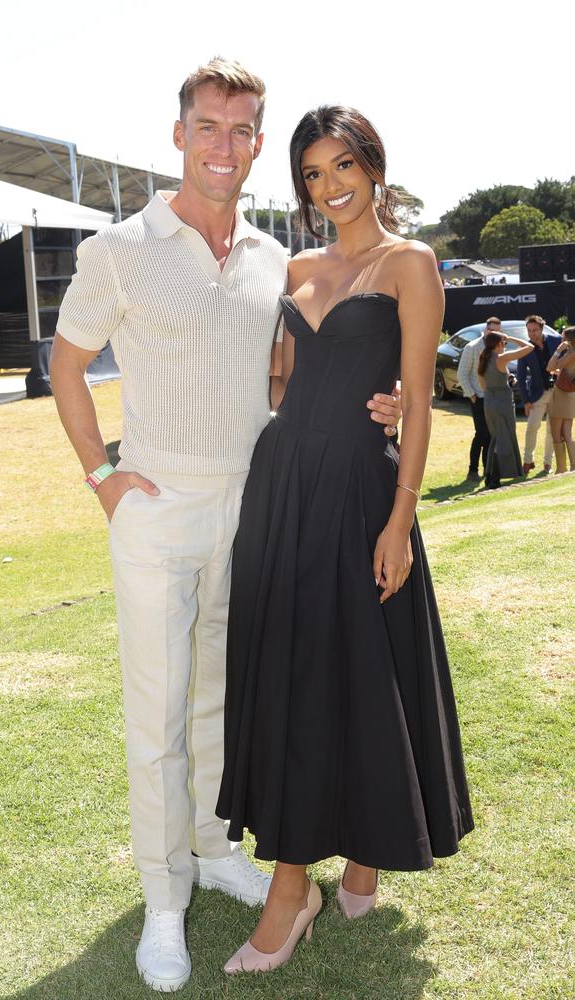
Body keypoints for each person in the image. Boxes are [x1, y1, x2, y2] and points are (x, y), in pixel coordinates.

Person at [49, 60, 401, 993]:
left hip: (256, 511)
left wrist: (388, 402)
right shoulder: (119, 248)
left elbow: (287, 378)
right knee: (158, 718)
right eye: (209, 126)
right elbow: (68, 363)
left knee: (221, 700)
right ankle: (165, 905)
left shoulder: (268, 260)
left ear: (257, 145)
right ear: (179, 135)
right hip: (155, 512)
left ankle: (211, 850)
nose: (225, 145)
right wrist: (105, 478)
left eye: (243, 131)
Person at [216, 105, 474, 976]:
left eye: (340, 167)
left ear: (373, 163)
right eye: (313, 176)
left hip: (363, 489)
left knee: (367, 669)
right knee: (298, 668)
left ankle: (307, 886)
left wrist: (400, 517)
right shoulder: (294, 265)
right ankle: (327, 866)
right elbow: (283, 379)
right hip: (282, 483)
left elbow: (420, 398)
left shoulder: (412, 263)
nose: (329, 189)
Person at [477, 331, 533, 489]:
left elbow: (483, 383)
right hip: (503, 403)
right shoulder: (501, 358)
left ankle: (490, 475)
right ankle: (494, 478)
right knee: (504, 438)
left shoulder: (483, 357)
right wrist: (511, 337)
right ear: (497, 344)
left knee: (496, 437)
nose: (505, 345)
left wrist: (508, 381)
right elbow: (529, 347)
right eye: (504, 342)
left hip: (490, 402)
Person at [517, 314, 561, 475]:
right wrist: (526, 401)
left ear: (542, 328)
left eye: (535, 330)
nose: (531, 334)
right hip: (537, 394)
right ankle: (528, 461)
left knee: (552, 429)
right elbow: (521, 377)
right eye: (529, 330)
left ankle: (548, 463)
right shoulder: (525, 348)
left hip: (558, 393)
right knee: (531, 427)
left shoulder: (555, 340)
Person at [456, 317, 498, 481]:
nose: (494, 333)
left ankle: (488, 469)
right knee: (481, 434)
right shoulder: (472, 347)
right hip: (478, 397)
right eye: (492, 330)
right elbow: (462, 373)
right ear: (486, 329)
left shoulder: (497, 346)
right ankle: (472, 470)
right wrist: (472, 395)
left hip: (493, 397)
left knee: (489, 435)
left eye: (497, 330)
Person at [547, 326, 575, 472]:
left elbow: (549, 367)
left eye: (563, 338)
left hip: (562, 394)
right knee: (566, 432)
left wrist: (558, 350)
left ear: (569, 340)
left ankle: (562, 469)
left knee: (557, 433)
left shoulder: (571, 353)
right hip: (570, 395)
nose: (561, 339)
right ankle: (569, 467)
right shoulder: (571, 354)